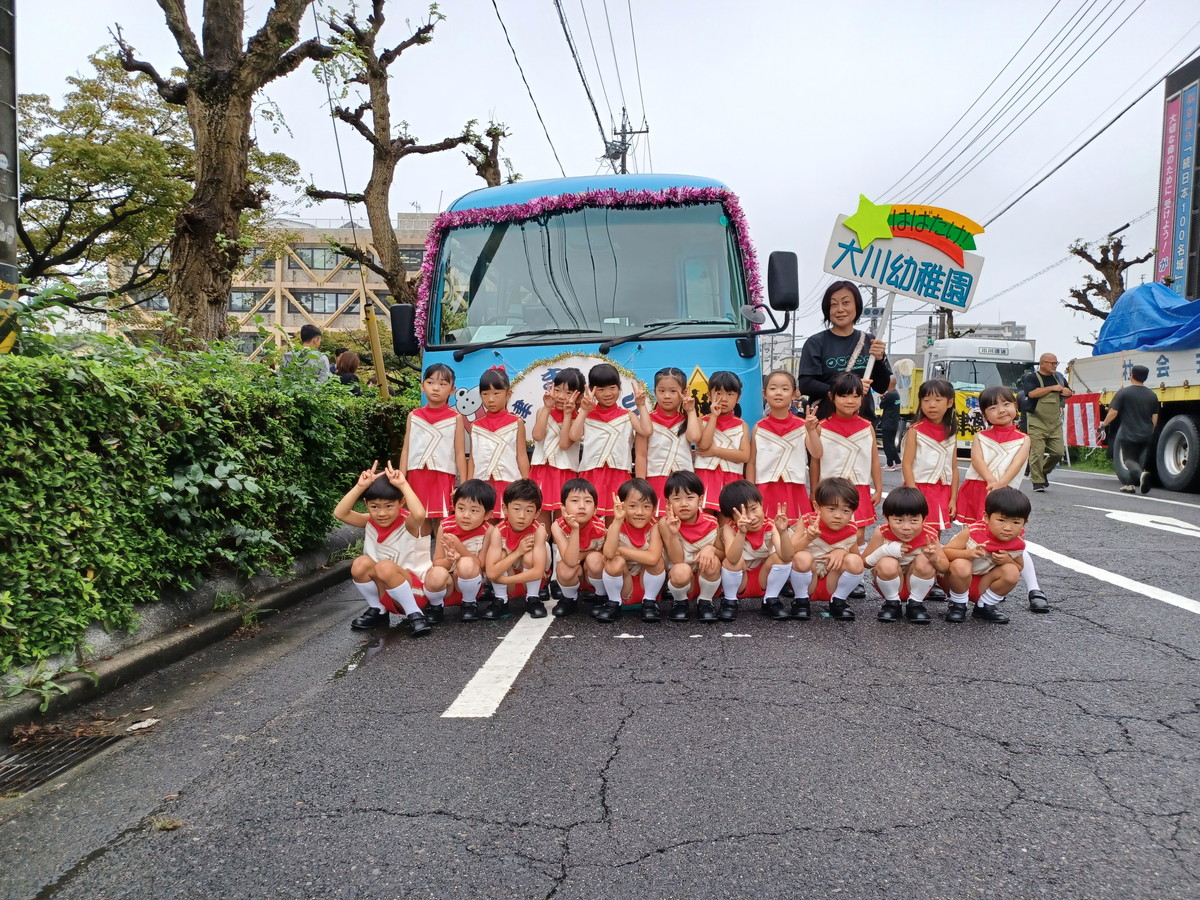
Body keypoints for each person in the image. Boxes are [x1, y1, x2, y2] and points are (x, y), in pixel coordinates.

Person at [334, 461, 433, 637]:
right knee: (360, 564)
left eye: (389, 506)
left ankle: (415, 614)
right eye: (374, 507)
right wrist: (360, 486)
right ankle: (378, 609)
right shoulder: (370, 521)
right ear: (366, 504)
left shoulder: (408, 523)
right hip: (386, 590)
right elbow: (340, 513)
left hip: (415, 593)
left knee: (384, 566)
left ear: (401, 502)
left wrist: (403, 484)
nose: (381, 513)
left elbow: (419, 514)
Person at [798, 281, 892, 420]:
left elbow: (882, 387)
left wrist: (879, 360)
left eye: (846, 302)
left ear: (857, 305)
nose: (840, 309)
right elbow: (806, 385)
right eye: (834, 304)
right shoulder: (816, 343)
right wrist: (851, 388)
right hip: (826, 422)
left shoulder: (870, 341)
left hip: (863, 422)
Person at [568, 363, 652, 517]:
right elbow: (573, 436)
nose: (607, 394)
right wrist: (584, 410)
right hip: (591, 474)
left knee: (616, 517)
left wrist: (641, 405)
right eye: (601, 389)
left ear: (619, 387)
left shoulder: (627, 415)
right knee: (590, 518)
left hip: (619, 475)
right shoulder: (587, 415)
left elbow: (646, 430)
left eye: (612, 388)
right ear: (592, 390)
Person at [940, 487, 1031, 624]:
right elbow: (945, 552)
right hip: (955, 581)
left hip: (984, 583)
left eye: (1016, 522)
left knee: (1012, 571)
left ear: (1024, 523)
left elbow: (1019, 567)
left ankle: (984, 605)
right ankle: (958, 605)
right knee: (961, 563)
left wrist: (1008, 560)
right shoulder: (973, 531)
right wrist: (967, 553)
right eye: (1001, 520)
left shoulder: (1017, 543)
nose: (1008, 528)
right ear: (987, 517)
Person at [863, 487, 948, 624]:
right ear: (886, 518)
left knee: (925, 560)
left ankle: (915, 605)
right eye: (899, 520)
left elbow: (944, 567)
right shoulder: (882, 533)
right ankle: (892, 604)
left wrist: (935, 559)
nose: (906, 527)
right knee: (887, 562)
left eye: (914, 520)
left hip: (918, 587)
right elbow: (865, 563)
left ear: (924, 519)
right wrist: (884, 550)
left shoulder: (930, 534)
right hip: (888, 584)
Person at [817, 372, 882, 548]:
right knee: (829, 533)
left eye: (855, 396)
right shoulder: (822, 427)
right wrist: (814, 490)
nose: (850, 401)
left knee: (858, 535)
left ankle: (856, 565)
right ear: (832, 396)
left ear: (862, 398)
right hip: (830, 488)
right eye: (844, 396)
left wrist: (878, 488)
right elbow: (815, 462)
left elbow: (874, 460)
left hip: (859, 487)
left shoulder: (867, 427)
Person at [746, 370, 820, 523]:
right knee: (766, 531)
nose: (778, 393)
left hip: (795, 489)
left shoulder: (803, 425)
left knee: (796, 530)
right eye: (773, 388)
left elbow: (817, 453)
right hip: (764, 489)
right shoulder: (759, 427)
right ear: (764, 394)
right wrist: (751, 492)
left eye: (785, 389)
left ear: (794, 394)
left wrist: (811, 430)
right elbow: (751, 462)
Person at [717, 480, 795, 623]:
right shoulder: (729, 528)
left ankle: (770, 599)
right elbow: (732, 559)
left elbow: (788, 556)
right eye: (742, 513)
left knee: (780, 558)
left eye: (754, 508)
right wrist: (741, 533)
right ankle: (729, 601)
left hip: (763, 578)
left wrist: (783, 532)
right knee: (731, 562)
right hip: (741, 579)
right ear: (731, 517)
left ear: (761, 504)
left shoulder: (770, 525)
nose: (751, 517)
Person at [788, 476, 865, 622]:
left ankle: (838, 601)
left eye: (846, 510)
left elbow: (857, 560)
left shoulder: (851, 529)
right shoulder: (807, 521)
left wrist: (843, 551)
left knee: (854, 561)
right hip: (808, 580)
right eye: (831, 509)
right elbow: (789, 552)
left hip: (832, 581)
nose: (838, 516)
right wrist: (808, 538)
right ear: (817, 507)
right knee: (802, 557)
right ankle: (800, 601)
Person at [424, 479, 495, 622]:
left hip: (471, 584)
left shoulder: (488, 530)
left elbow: (481, 564)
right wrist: (449, 560)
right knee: (435, 573)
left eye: (474, 510)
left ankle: (469, 604)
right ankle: (436, 606)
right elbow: (437, 562)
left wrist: (459, 547)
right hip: (448, 585)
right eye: (461, 508)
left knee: (466, 563)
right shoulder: (445, 526)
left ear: (487, 515)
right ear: (454, 506)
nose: (466, 515)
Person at [399, 363, 462, 521]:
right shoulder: (414, 415)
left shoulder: (456, 418)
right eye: (430, 382)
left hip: (443, 474)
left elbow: (460, 453)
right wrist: (401, 478)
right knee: (419, 518)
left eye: (443, 384)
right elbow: (406, 449)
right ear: (422, 386)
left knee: (444, 519)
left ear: (452, 390)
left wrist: (464, 484)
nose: (435, 388)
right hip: (417, 474)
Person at [658, 471, 724, 623]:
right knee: (681, 570)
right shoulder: (665, 523)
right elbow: (677, 560)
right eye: (677, 499)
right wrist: (674, 534)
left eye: (690, 497)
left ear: (700, 500)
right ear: (668, 503)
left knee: (713, 561)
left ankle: (705, 602)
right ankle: (680, 602)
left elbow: (722, 554)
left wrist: (711, 549)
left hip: (705, 579)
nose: (684, 504)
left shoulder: (712, 522)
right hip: (680, 580)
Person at [635, 367, 701, 516]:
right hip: (655, 480)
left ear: (684, 392)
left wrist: (691, 410)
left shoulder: (689, 418)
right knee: (656, 521)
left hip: (684, 484)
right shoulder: (646, 420)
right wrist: (641, 485)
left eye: (673, 391)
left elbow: (694, 437)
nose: (667, 396)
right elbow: (641, 454)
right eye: (661, 391)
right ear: (654, 392)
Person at [481, 479, 549, 620]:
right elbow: (491, 573)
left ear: (537, 513)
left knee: (530, 554)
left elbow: (538, 571)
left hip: (526, 577)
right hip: (510, 570)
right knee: (501, 554)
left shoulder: (538, 530)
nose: (522, 516)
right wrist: (518, 552)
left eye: (529, 510)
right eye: (516, 509)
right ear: (505, 508)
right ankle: (501, 599)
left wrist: (506, 580)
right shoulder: (498, 531)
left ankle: (533, 598)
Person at [602, 479, 667, 622]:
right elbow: (608, 553)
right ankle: (614, 602)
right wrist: (617, 520)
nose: (640, 512)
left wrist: (621, 549)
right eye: (632, 506)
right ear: (622, 505)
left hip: (646, 584)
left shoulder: (655, 527)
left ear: (654, 508)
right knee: (614, 562)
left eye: (646, 506)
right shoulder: (616, 525)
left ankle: (650, 603)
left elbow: (652, 558)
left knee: (658, 561)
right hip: (624, 585)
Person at [902, 378, 960, 532]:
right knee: (915, 531)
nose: (931, 405)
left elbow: (954, 468)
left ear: (949, 402)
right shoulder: (915, 430)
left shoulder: (951, 432)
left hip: (943, 490)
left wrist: (953, 498)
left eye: (938, 400)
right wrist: (914, 492)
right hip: (919, 487)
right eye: (926, 400)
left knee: (935, 533)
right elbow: (906, 464)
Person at [465, 368, 529, 506]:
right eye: (485, 394)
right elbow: (473, 459)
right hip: (482, 486)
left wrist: (526, 484)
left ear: (508, 394)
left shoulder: (516, 422)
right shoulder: (475, 426)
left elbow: (521, 455)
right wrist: (469, 485)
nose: (491, 399)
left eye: (496, 393)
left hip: (510, 483)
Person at [530, 366, 585, 525]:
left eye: (568, 392)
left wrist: (568, 415)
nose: (561, 396)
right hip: (541, 470)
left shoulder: (579, 419)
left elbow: (564, 444)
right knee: (540, 521)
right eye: (557, 390)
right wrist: (547, 407)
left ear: (579, 397)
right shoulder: (542, 411)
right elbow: (537, 436)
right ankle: (544, 541)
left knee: (563, 521)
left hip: (564, 473)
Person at [549, 478, 608, 619]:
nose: (582, 506)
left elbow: (606, 555)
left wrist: (584, 555)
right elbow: (570, 561)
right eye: (575, 501)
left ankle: (600, 596)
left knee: (595, 560)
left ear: (595, 509)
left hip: (592, 573)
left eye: (587, 501)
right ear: (563, 507)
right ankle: (569, 598)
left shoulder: (600, 528)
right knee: (565, 569)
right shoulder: (558, 526)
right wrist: (575, 529)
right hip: (574, 571)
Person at [694, 371, 751, 513]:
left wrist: (715, 451)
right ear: (709, 395)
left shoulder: (742, 425)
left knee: (728, 518)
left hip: (732, 477)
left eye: (730, 394)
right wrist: (714, 416)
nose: (724, 399)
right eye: (718, 393)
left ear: (738, 397)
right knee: (704, 517)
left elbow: (744, 456)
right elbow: (703, 445)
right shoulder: (702, 421)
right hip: (705, 475)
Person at [1098, 364, 1159, 494]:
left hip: (1129, 434)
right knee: (1137, 459)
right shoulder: (1152, 395)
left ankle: (1141, 475)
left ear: (1131, 375)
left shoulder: (1124, 393)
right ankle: (1130, 485)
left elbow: (1113, 412)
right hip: (1147, 434)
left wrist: (1103, 425)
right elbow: (1155, 417)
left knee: (1128, 460)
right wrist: (1151, 431)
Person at [1019, 352, 1073, 492]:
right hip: (1037, 420)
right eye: (1052, 363)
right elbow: (1031, 393)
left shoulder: (1059, 377)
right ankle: (1037, 481)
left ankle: (1043, 471)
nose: (1055, 365)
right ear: (1042, 363)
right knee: (1037, 452)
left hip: (1054, 421)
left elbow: (1068, 392)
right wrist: (1052, 388)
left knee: (1058, 452)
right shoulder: (1031, 377)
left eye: (1056, 363)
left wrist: (1067, 392)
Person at [877, 377, 901, 470]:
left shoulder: (889, 395)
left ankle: (890, 464)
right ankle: (898, 461)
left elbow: (881, 405)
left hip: (888, 423)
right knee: (891, 444)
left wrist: (882, 398)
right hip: (894, 422)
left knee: (887, 445)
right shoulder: (896, 394)